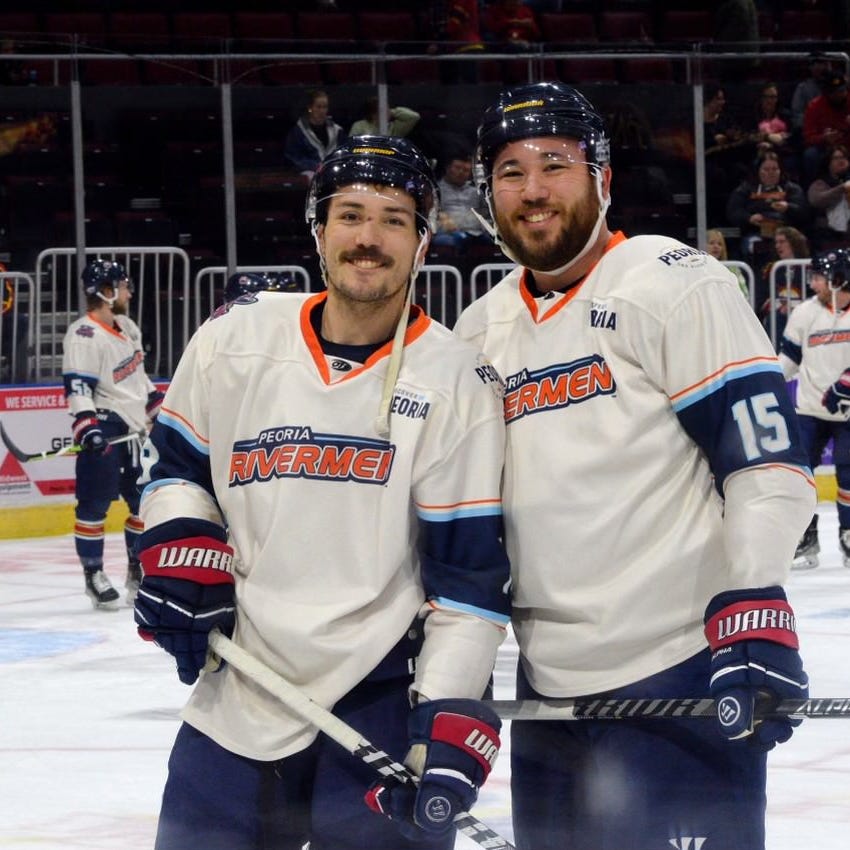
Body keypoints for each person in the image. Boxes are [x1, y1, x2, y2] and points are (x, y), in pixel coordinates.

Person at [454, 81, 814, 850]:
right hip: (548, 697)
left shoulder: (670, 282)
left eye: (555, 163)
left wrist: (754, 598)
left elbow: (763, 460)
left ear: (603, 179)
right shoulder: (481, 327)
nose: (533, 189)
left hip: (676, 672)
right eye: (510, 172)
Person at [133, 136, 512, 850]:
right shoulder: (234, 341)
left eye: (395, 220)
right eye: (351, 216)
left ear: (423, 243)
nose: (369, 238)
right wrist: (182, 534)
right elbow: (175, 473)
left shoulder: (458, 380)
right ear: (318, 230)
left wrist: (445, 712)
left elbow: (466, 582)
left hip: (380, 700)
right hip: (238, 688)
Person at [62, 259, 163, 609]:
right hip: (105, 426)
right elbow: (78, 386)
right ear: (106, 292)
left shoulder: (127, 327)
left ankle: (137, 569)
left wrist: (157, 409)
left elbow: (140, 381)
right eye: (123, 285)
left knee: (142, 503)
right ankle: (94, 575)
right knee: (94, 504)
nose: (129, 292)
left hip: (135, 431)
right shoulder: (84, 334)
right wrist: (87, 425)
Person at [779, 248, 850, 570]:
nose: (814, 283)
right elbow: (790, 359)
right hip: (809, 408)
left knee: (848, 474)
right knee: (802, 475)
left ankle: (848, 535)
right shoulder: (805, 313)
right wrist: (766, 382)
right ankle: (805, 536)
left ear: (839, 279)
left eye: (820, 277)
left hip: (848, 412)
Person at [725, 150, 809, 261]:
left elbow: (804, 211)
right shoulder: (746, 189)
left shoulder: (792, 189)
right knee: (755, 246)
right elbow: (733, 211)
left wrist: (788, 207)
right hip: (756, 233)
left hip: (787, 233)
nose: (771, 173)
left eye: (775, 169)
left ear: (780, 171)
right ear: (758, 171)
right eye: (766, 169)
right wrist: (749, 218)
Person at [757, 225, 811, 349]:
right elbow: (761, 298)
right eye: (776, 242)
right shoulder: (771, 269)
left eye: (782, 242)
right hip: (777, 313)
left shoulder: (809, 267)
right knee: (775, 318)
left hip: (804, 312)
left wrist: (794, 307)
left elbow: (815, 295)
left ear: (794, 243)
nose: (777, 246)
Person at [431, 153, 491, 253]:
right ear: (448, 168)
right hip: (447, 232)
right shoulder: (435, 191)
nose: (461, 172)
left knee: (497, 240)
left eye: (466, 170)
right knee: (452, 240)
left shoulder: (477, 193)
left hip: (476, 232)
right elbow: (431, 215)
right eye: (457, 168)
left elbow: (487, 215)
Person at [283, 89, 345, 182]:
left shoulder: (337, 130)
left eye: (325, 107)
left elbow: (343, 153)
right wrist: (315, 166)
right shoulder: (298, 132)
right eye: (318, 107)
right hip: (310, 172)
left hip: (333, 171)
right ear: (310, 108)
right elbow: (294, 158)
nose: (322, 111)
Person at [802, 71, 850, 187]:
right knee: (810, 155)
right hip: (825, 148)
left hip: (847, 144)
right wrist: (824, 138)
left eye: (842, 91)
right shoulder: (814, 106)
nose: (840, 95)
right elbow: (808, 137)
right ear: (827, 93)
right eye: (835, 92)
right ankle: (813, 189)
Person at [806, 143, 850, 248]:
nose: (841, 161)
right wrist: (843, 188)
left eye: (843, 157)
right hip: (827, 234)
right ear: (828, 163)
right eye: (836, 158)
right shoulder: (820, 183)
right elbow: (816, 200)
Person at [705, 227, 750, 300]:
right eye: (711, 243)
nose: (716, 246)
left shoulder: (733, 268)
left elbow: (744, 294)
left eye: (720, 244)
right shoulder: (696, 268)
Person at [349, 97, 420, 139]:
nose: (388, 111)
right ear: (373, 114)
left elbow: (414, 117)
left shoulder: (395, 128)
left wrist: (393, 112)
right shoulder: (359, 126)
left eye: (388, 108)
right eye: (383, 110)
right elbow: (352, 144)